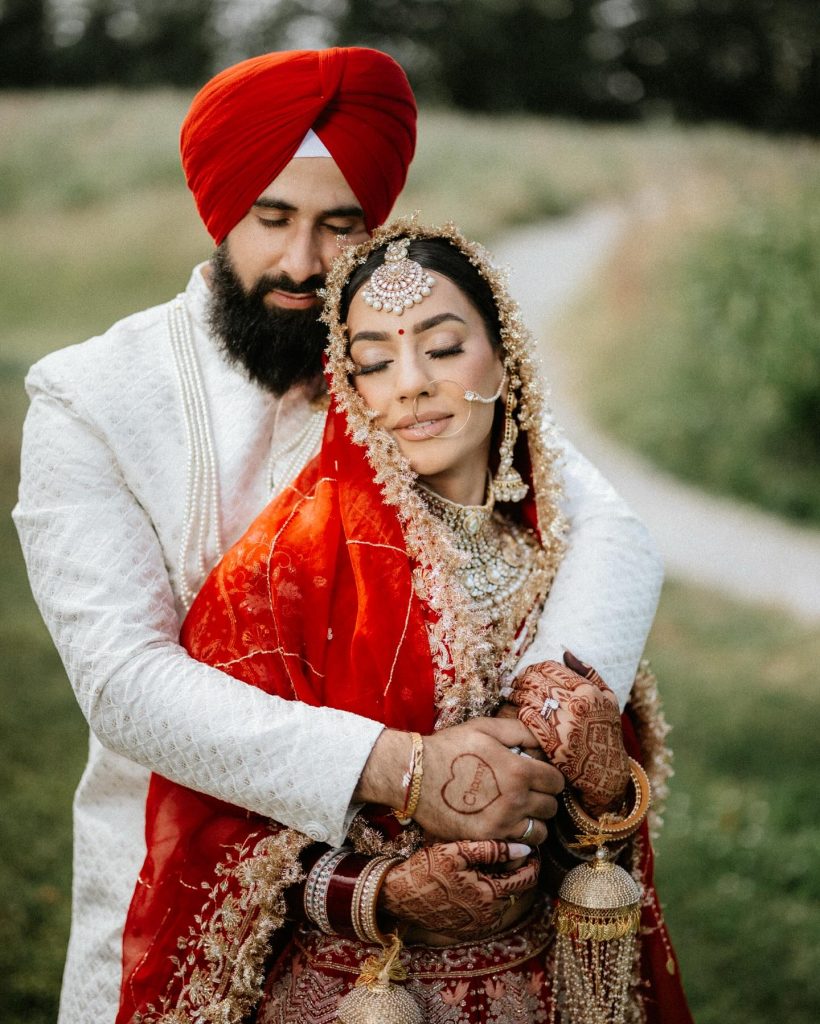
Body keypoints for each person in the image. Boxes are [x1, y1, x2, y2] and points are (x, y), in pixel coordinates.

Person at [13, 49, 664, 1024]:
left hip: (463, 922)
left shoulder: (396, 354)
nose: (303, 263)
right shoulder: (92, 396)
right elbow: (123, 683)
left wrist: (520, 742)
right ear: (221, 208)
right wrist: (407, 771)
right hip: (181, 891)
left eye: (339, 224)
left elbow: (609, 526)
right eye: (271, 219)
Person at [118, 221, 692, 1023]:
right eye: (375, 362)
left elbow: (601, 804)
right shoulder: (290, 566)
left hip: (545, 981)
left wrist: (594, 768)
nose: (410, 384)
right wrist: (379, 891)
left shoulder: (553, 547)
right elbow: (214, 828)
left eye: (444, 348)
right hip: (366, 993)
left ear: (505, 356)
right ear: (349, 387)